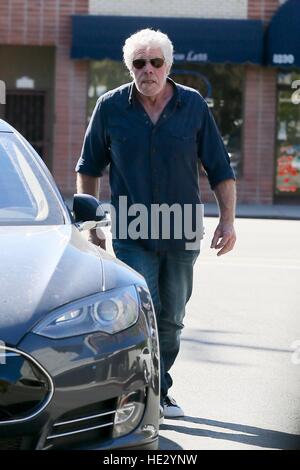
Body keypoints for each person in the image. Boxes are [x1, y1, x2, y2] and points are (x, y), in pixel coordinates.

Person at [76, 28, 236, 420]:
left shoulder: (193, 105)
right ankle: (141, 393)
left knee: (172, 318)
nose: (148, 69)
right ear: (130, 67)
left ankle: (159, 388)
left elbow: (219, 167)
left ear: (168, 64)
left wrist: (228, 221)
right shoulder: (110, 107)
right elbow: (89, 167)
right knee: (141, 314)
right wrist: (91, 222)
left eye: (156, 62)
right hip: (132, 229)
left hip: (182, 229)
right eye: (139, 63)